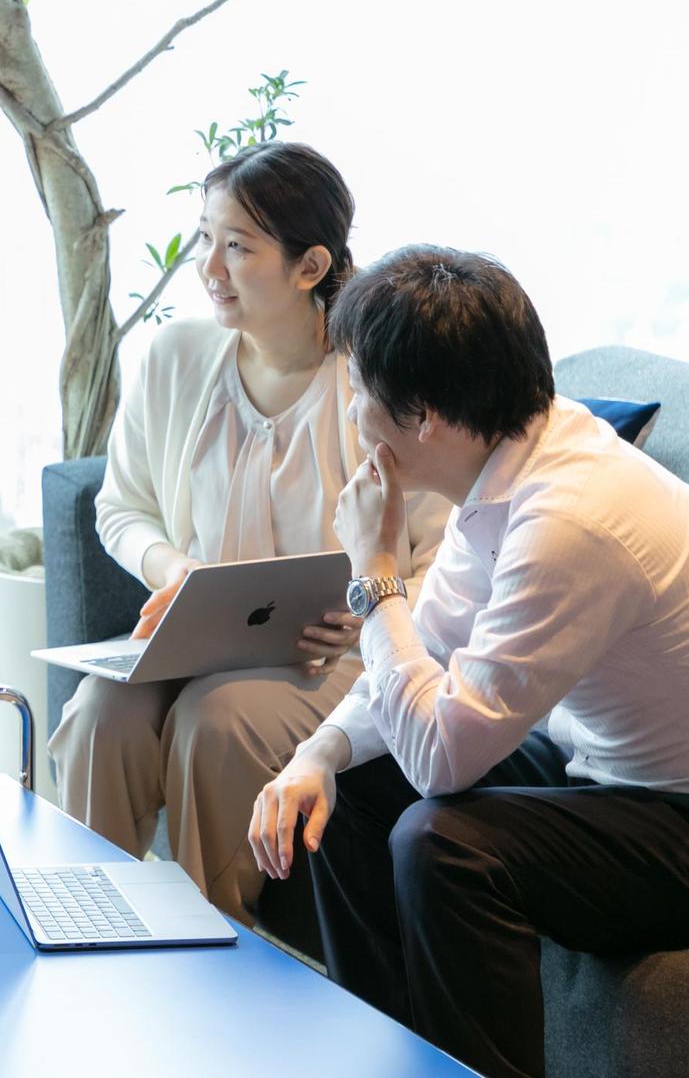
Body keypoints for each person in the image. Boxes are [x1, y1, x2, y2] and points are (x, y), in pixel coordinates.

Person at [247, 246, 689, 1078]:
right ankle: (390, 1059)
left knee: (444, 844)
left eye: (358, 393)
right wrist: (317, 755)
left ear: (423, 415)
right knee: (348, 787)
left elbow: (440, 759)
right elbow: (428, 647)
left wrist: (374, 572)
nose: (352, 415)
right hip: (628, 783)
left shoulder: (570, 520)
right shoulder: (508, 464)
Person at [48, 142, 448, 922]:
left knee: (217, 721)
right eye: (206, 238)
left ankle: (212, 943)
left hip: (330, 653)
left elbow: (445, 556)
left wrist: (375, 610)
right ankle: (88, 930)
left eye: (237, 246)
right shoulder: (175, 357)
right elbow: (120, 508)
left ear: (310, 266)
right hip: (197, 637)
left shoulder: (375, 382)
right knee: (101, 715)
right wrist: (177, 573)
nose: (209, 268)